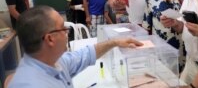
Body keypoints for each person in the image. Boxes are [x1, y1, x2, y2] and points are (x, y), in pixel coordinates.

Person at [8, 5, 143, 88]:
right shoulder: (33, 84)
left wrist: (114, 42)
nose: (67, 32)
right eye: (63, 28)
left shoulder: (53, 61)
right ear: (50, 39)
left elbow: (85, 55)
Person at [142, 0, 186, 71]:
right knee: (164, 71)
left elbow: (185, 14)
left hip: (180, 40)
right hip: (161, 42)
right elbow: (146, 22)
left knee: (181, 70)